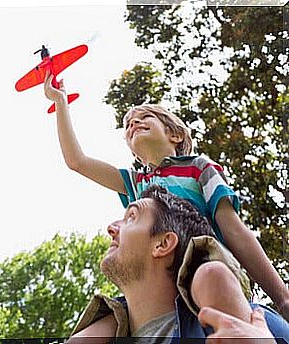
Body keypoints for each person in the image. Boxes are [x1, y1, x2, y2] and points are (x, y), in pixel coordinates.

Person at [43, 72, 289, 323]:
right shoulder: (136, 184)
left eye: (144, 117)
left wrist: (281, 298)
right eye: (128, 125)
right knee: (99, 326)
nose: (133, 124)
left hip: (203, 265)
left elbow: (234, 229)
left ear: (175, 135)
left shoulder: (199, 168)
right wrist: (60, 102)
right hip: (151, 283)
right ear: (135, 154)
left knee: (210, 279)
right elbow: (77, 161)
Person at [68, 185, 288, 342]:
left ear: (163, 244)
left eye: (131, 217)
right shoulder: (98, 333)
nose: (111, 227)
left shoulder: (252, 324)